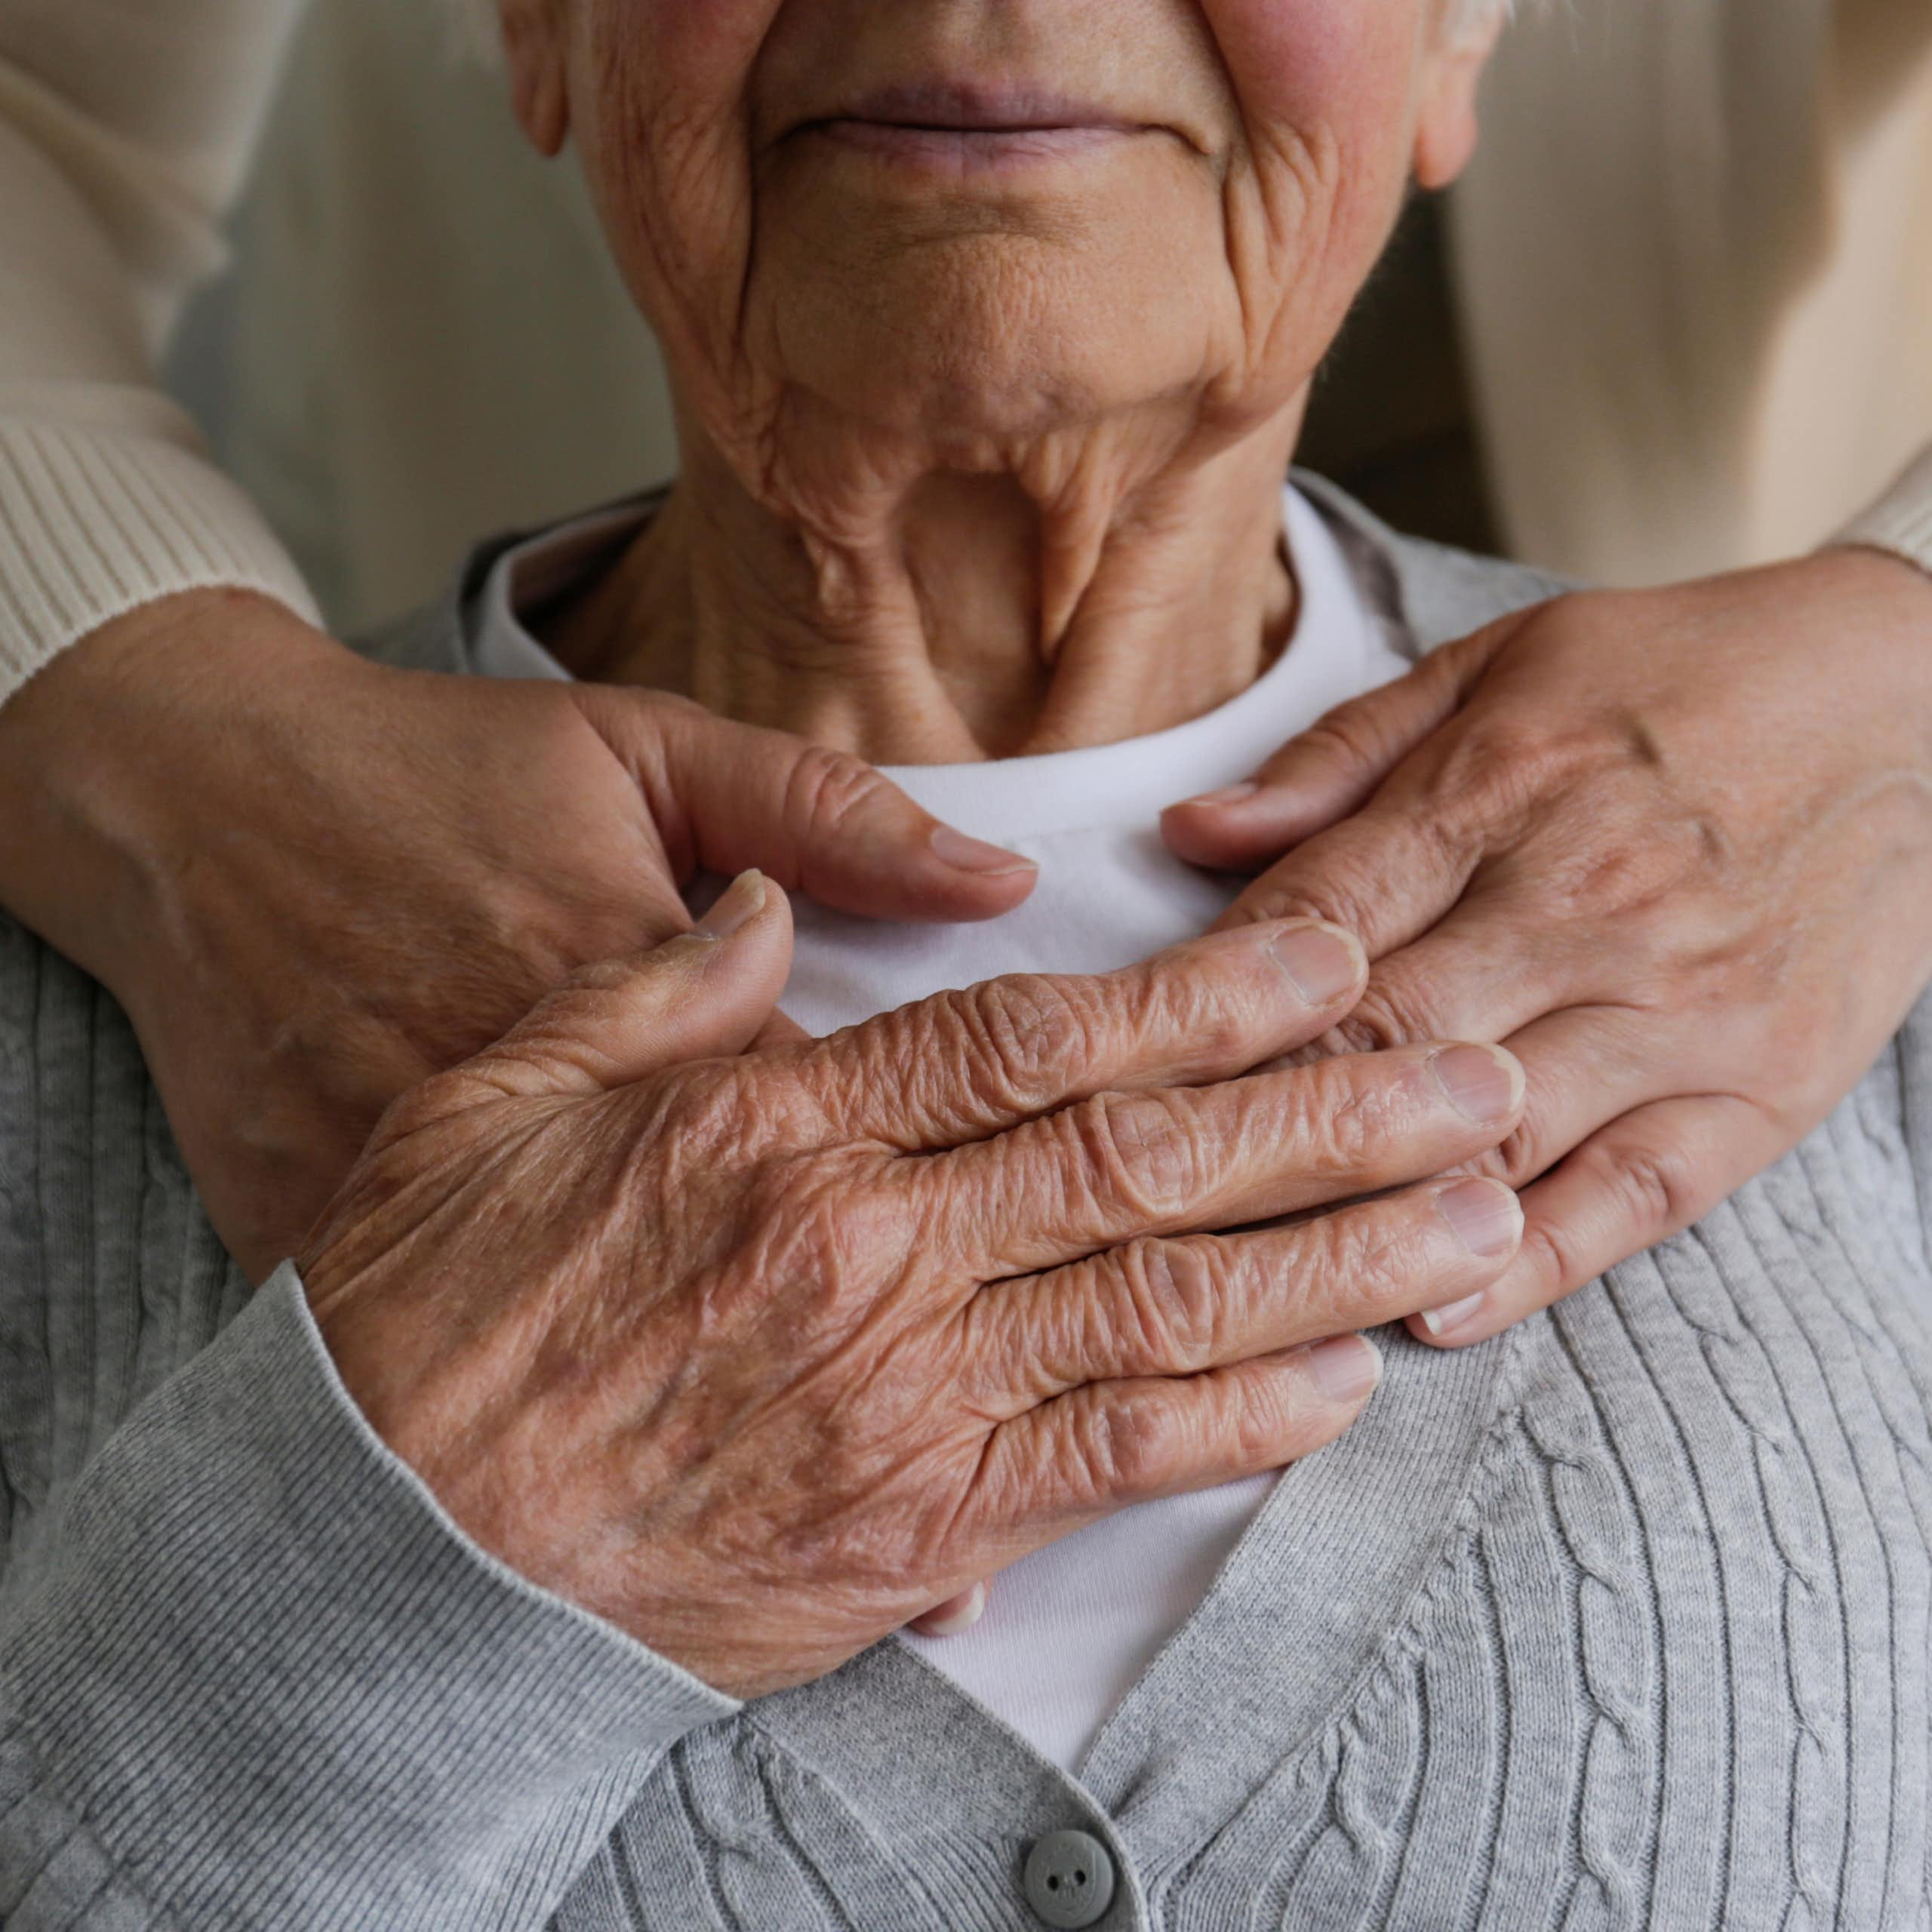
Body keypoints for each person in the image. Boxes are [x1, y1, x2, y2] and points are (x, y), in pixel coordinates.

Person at [6, 2, 1931, 1924]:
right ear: (535, 32)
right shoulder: (110, 926)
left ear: (1453, 42)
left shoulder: (1842, 884)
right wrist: (394, 1578)